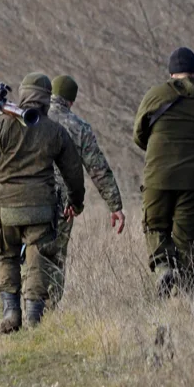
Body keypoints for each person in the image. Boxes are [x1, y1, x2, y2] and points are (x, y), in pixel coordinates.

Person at [0, 73, 86, 332]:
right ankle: (34, 317)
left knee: (7, 257)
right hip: (41, 210)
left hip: (7, 207)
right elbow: (73, 172)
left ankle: (11, 313)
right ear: (46, 98)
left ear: (23, 94)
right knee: (38, 259)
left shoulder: (2, 124)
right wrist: (76, 203)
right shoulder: (55, 131)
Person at [133, 47, 194, 296]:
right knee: (188, 238)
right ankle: (190, 295)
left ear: (171, 72)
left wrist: (158, 156)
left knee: (155, 226)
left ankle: (163, 267)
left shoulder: (155, 95)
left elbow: (139, 134)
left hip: (158, 177)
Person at [46, 75, 125, 307]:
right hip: (63, 204)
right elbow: (98, 169)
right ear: (71, 101)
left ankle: (21, 300)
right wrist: (115, 206)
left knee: (27, 249)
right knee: (55, 256)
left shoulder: (31, 117)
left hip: (26, 196)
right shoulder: (79, 127)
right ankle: (47, 308)